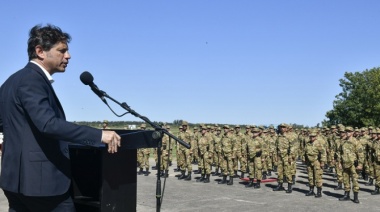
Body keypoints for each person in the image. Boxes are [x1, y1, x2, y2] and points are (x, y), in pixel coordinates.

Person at [0, 24, 121, 211]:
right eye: (62, 51)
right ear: (40, 51)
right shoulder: (32, 80)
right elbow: (48, 124)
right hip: (42, 185)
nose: (68, 56)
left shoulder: (11, 81)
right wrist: (99, 135)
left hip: (15, 182)